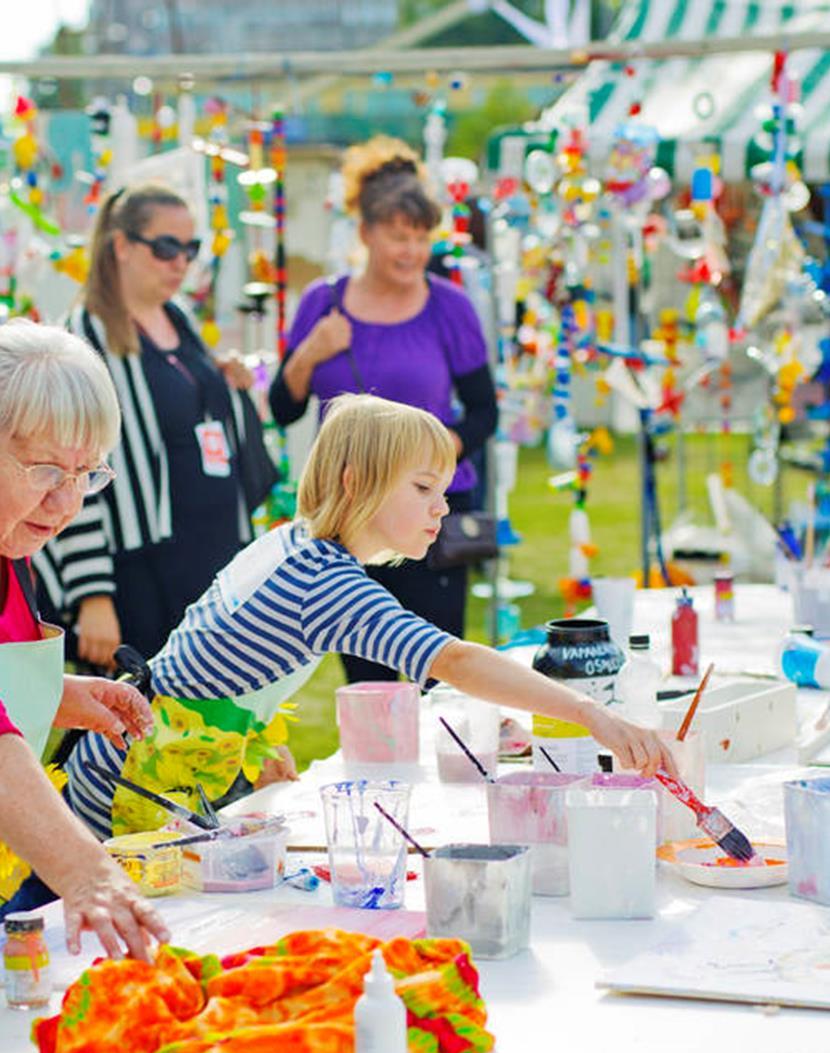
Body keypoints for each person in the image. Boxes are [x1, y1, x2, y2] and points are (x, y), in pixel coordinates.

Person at [66, 395, 675, 840]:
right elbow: (455, 661)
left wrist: (254, 747)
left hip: (134, 758)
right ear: (356, 482)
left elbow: (215, 662)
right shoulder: (326, 583)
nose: (441, 508)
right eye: (422, 488)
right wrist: (591, 714)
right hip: (126, 786)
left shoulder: (290, 543)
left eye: (443, 490)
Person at [269, 136, 497, 683]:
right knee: (369, 683)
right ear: (365, 232)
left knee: (438, 675)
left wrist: (421, 468)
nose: (412, 251)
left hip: (430, 518)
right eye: (399, 236)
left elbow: (484, 413)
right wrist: (310, 353)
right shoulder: (321, 304)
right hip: (351, 516)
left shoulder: (449, 306)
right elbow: (281, 407)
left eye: (422, 238)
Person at [35, 181, 276, 670]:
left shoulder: (180, 319)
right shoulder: (82, 337)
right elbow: (69, 470)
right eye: (166, 247)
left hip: (212, 555)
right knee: (133, 725)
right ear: (121, 245)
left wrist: (227, 386)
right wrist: (93, 596)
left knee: (214, 720)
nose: (181, 263)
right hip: (138, 572)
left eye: (190, 249)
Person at [0, 317, 169, 959]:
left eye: (86, 475)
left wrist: (59, 694)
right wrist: (87, 872)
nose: (66, 502)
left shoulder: (14, 539)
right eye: (45, 470)